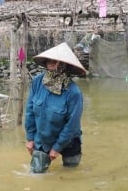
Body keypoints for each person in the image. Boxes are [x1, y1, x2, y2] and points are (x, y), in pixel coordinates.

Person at [24, 42, 88, 173]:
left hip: (69, 140)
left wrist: (57, 148)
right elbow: (30, 111)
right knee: (36, 173)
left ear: (64, 66)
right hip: (43, 138)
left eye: (55, 61)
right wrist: (30, 138)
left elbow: (72, 124)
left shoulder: (73, 93)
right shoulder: (38, 82)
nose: (50, 63)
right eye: (49, 60)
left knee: (71, 174)